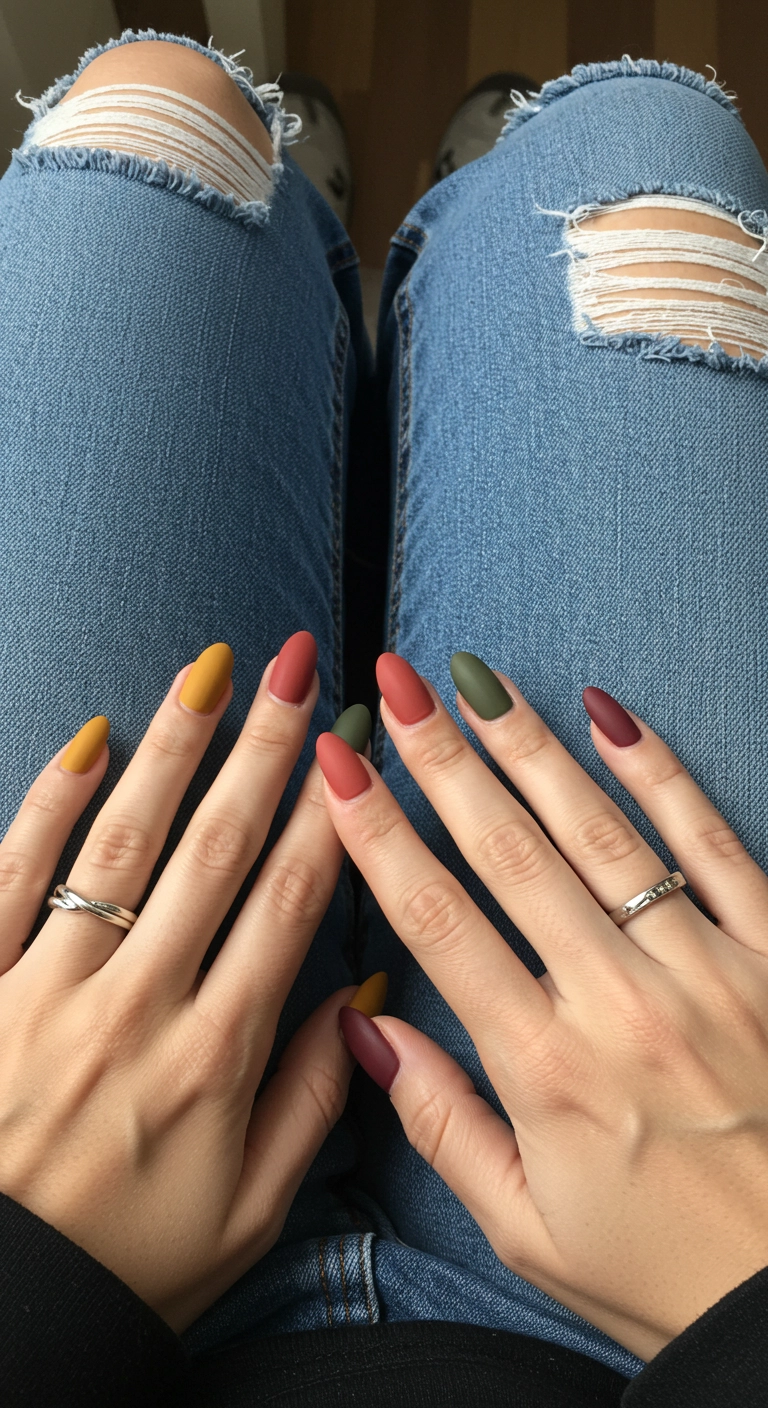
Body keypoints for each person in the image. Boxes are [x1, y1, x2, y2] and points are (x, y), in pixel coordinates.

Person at [1, 28, 767, 1407]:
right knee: (642, 161)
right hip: (677, 1319)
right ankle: (475, 237)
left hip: (60, 1281)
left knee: (149, 132)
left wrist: (25, 1277)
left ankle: (384, 254)